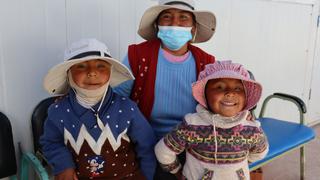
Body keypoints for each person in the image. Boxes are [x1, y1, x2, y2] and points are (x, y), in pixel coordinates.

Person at [40, 38, 156, 180]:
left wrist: (146, 177)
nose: (92, 72)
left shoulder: (127, 108)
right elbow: (52, 142)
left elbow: (147, 146)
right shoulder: (58, 111)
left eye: (101, 66)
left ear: (110, 72)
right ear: (69, 73)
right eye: (81, 66)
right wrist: (64, 166)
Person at [154, 61, 269, 180]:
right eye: (219, 87)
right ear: (204, 94)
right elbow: (163, 151)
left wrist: (240, 167)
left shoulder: (252, 129)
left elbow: (261, 151)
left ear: (246, 98)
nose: (230, 93)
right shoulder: (191, 126)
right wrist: (176, 170)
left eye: (238, 88)